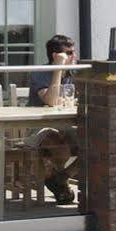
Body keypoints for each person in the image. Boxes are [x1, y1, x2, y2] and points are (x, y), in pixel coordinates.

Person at [26, 34, 80, 203]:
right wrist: (58, 69)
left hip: (66, 124)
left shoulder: (75, 74)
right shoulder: (40, 73)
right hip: (39, 125)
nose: (74, 56)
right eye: (69, 53)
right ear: (55, 56)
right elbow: (51, 101)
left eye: (73, 52)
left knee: (94, 145)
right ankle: (58, 183)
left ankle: (61, 177)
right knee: (58, 143)